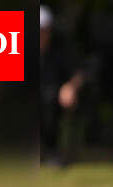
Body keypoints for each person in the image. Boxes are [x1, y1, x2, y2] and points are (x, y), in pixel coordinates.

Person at [40, 5, 84, 166]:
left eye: (44, 30)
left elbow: (78, 72)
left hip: (53, 96)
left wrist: (70, 87)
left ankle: (53, 151)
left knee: (52, 102)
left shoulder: (62, 48)